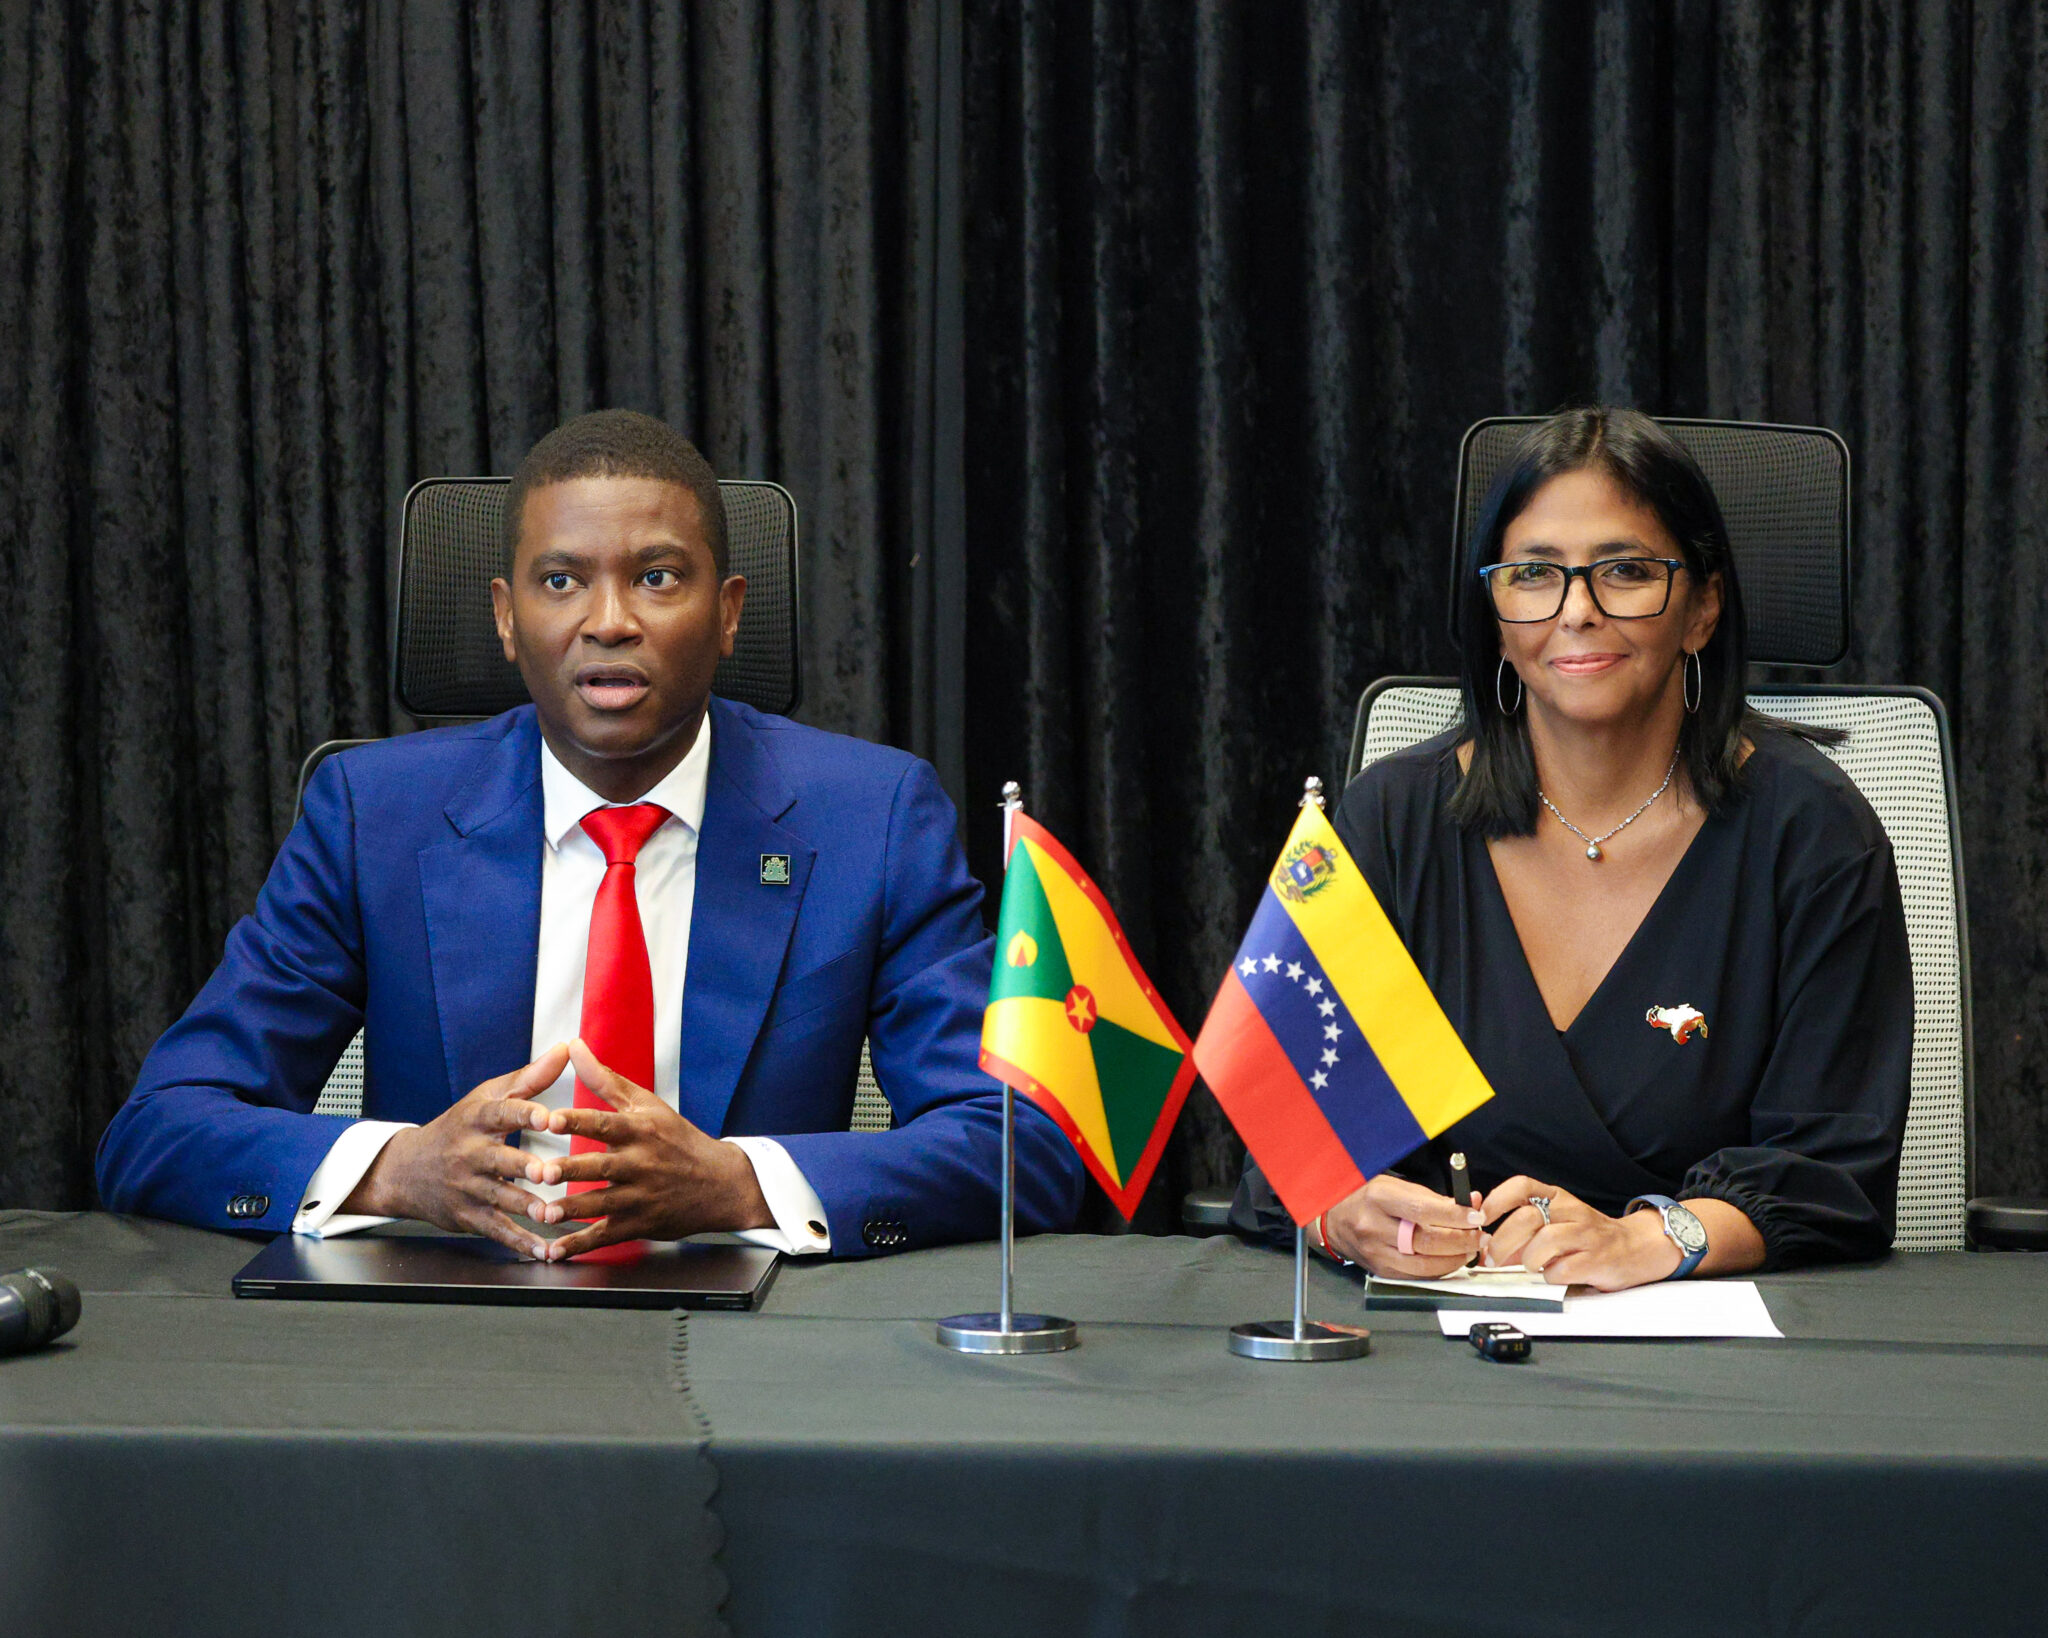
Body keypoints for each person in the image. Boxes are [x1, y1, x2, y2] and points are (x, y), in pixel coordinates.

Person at [97, 409, 1085, 1260]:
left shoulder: (872, 817)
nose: (609, 621)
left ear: (728, 613)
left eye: (656, 577)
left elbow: (1023, 1143)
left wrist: (737, 1185)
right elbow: (160, 1127)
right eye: (562, 581)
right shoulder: (372, 815)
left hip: (753, 1350)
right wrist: (402, 1170)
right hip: (443, 1330)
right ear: (506, 618)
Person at [1234, 407, 1911, 1290]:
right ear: (1494, 612)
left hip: (1721, 1341)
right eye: (1534, 574)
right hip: (1439, 1335)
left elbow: (1833, 1168)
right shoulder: (1383, 823)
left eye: (1626, 571)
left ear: (1703, 608)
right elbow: (1281, 1140)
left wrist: (1653, 1239)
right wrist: (1343, 1214)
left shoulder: (1818, 833)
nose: (1578, 611)